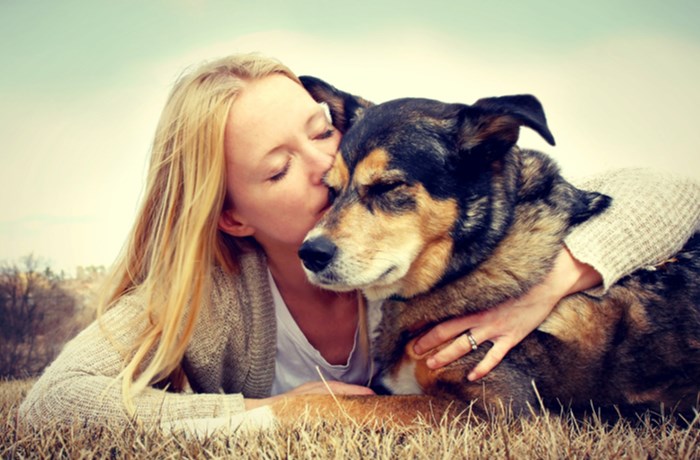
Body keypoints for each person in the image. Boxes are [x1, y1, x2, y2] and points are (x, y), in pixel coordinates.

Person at [19, 53, 700, 428]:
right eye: (279, 167)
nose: (326, 169)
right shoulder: (212, 297)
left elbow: (670, 194)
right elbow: (53, 406)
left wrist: (556, 282)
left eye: (321, 132)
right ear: (233, 216)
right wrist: (273, 413)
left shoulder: (420, 256)